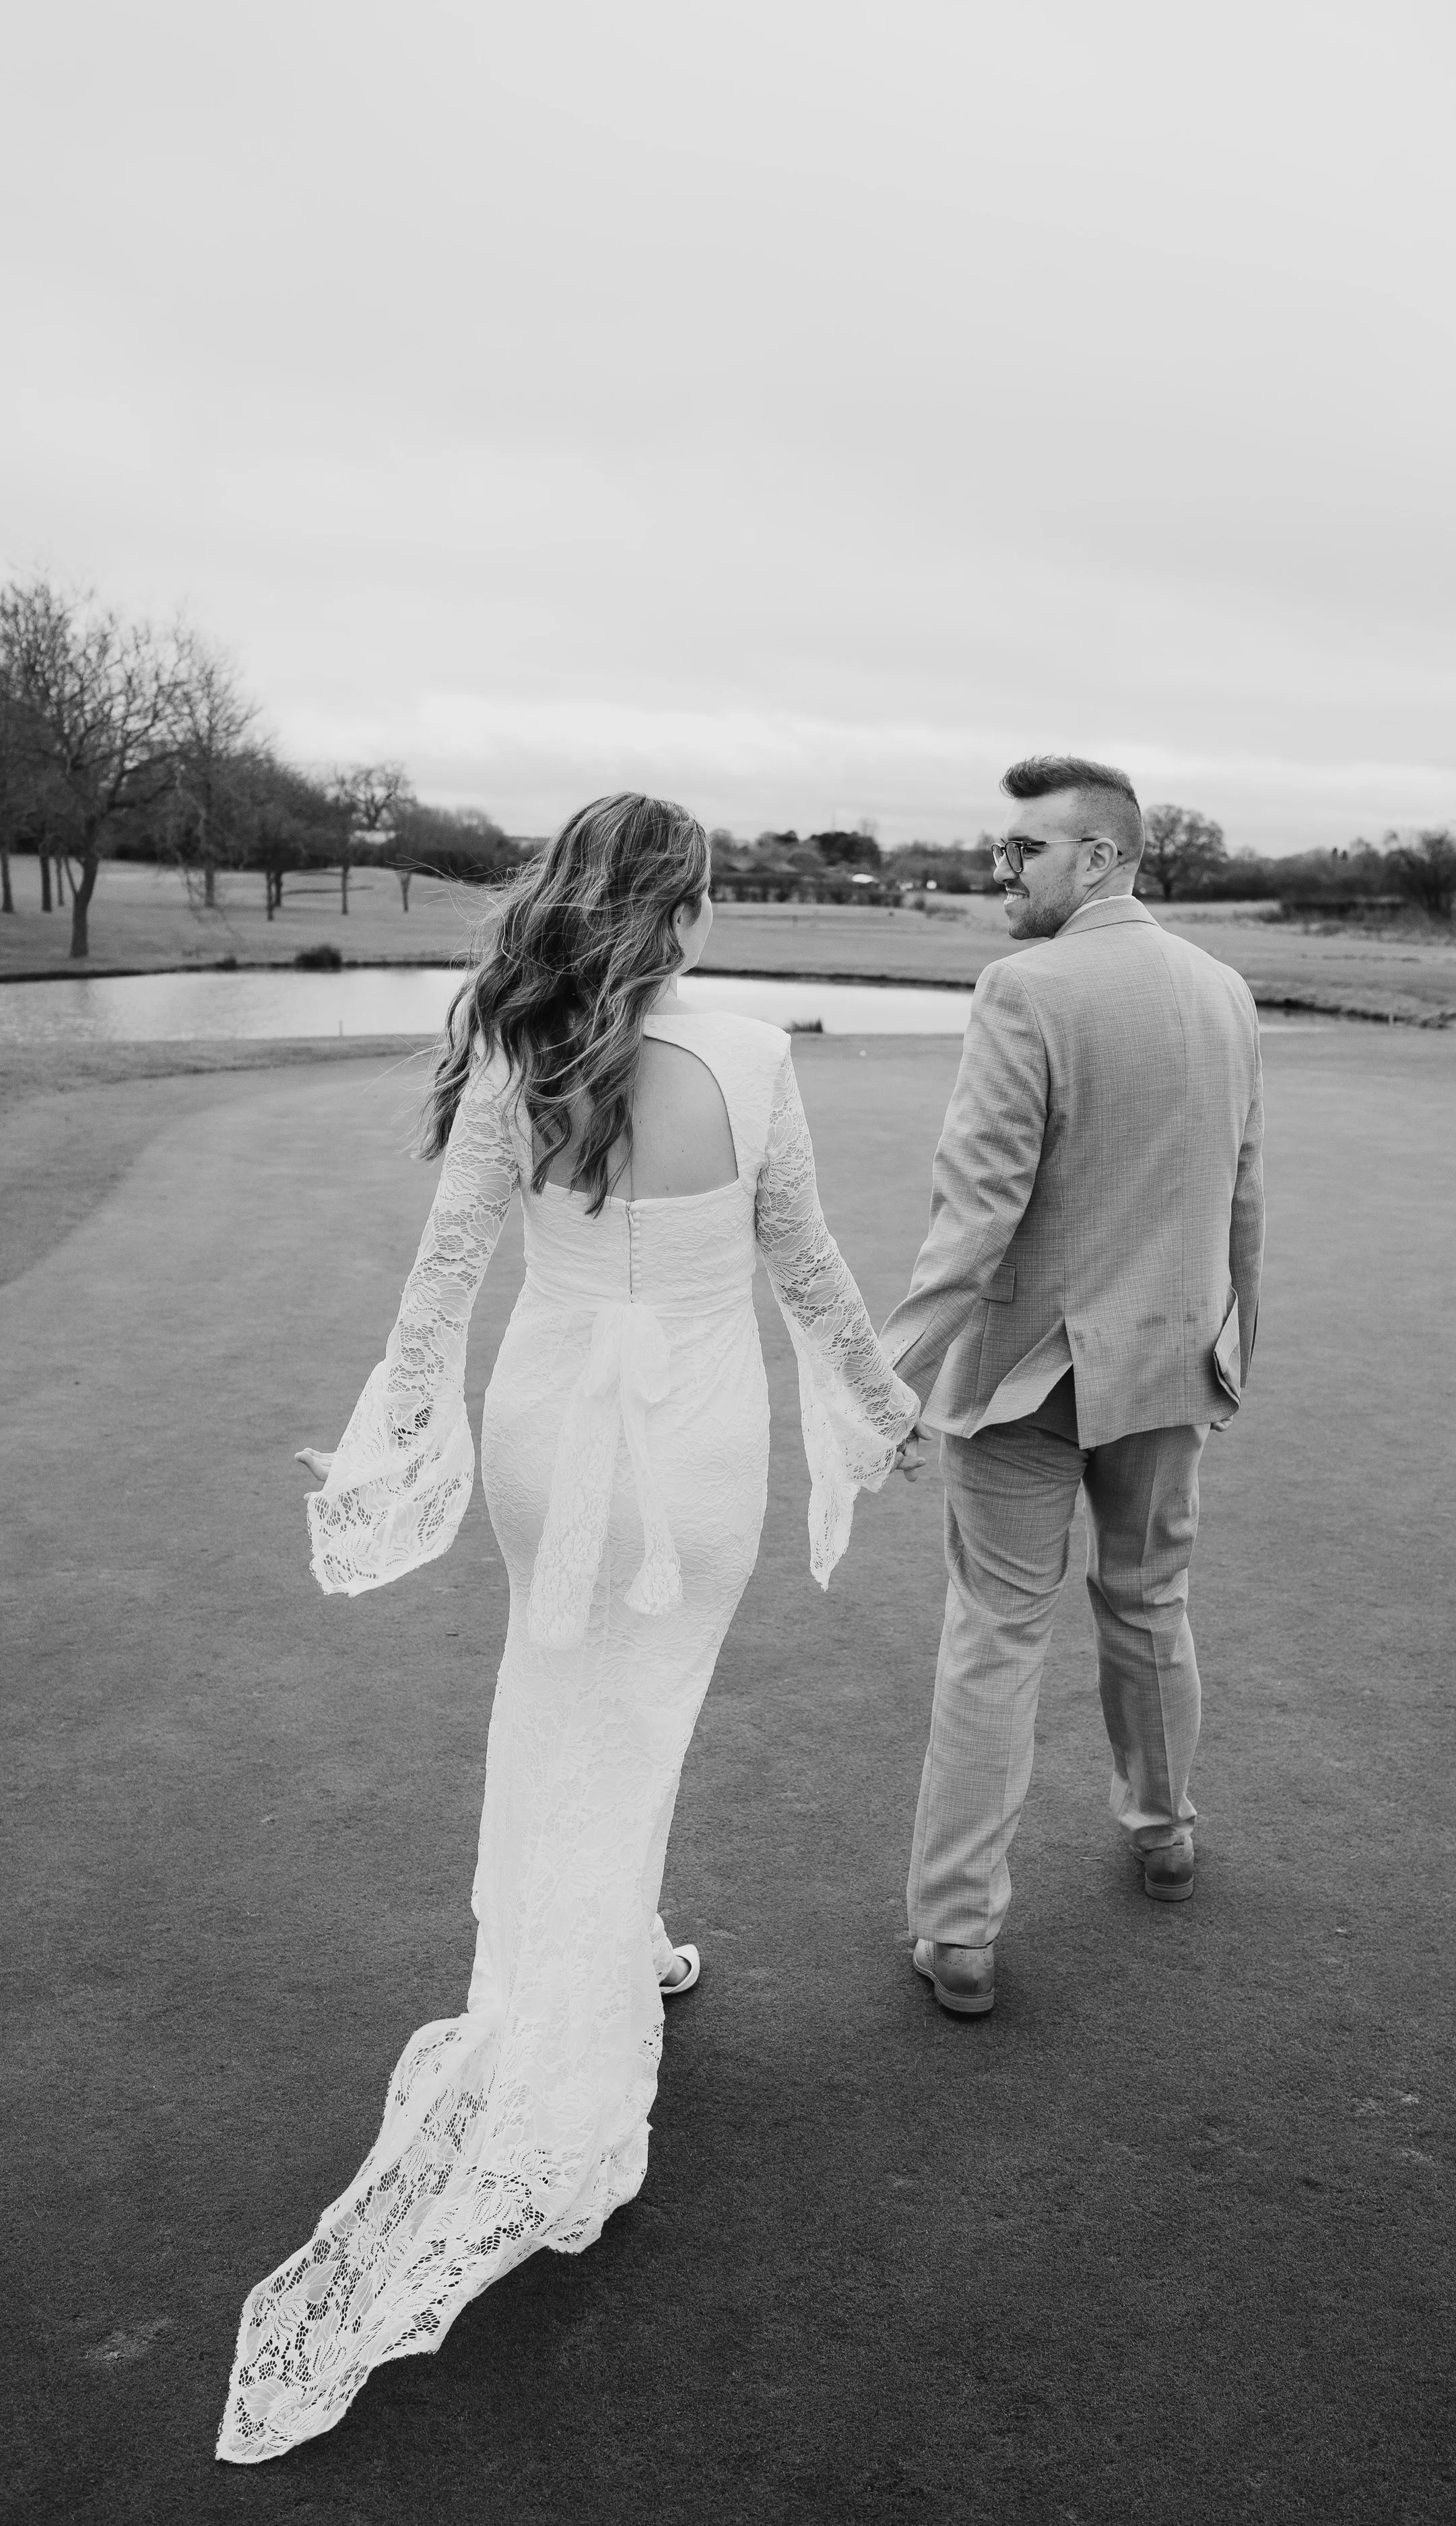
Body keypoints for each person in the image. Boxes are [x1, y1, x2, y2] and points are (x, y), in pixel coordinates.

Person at [218, 793, 919, 2462]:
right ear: (682, 902)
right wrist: (886, 1410)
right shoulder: (747, 1049)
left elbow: (445, 1274)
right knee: (639, 1717)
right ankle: (573, 2075)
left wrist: (392, 1433)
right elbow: (805, 1268)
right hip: (688, 1446)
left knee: (563, 1702)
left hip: (550, 1431)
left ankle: (615, 1938)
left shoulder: (513, 1036)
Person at [880, 756, 1265, 2017]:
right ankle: (1164, 1834)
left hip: (1026, 1378)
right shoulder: (1226, 991)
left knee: (996, 1631)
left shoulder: (1023, 986)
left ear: (1099, 858)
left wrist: (889, 1377)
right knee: (1153, 1600)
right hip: (1171, 1356)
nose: (1004, 868)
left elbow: (972, 1213)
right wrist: (1234, 1337)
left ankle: (959, 1929)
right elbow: (1241, 1193)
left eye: (1025, 850)